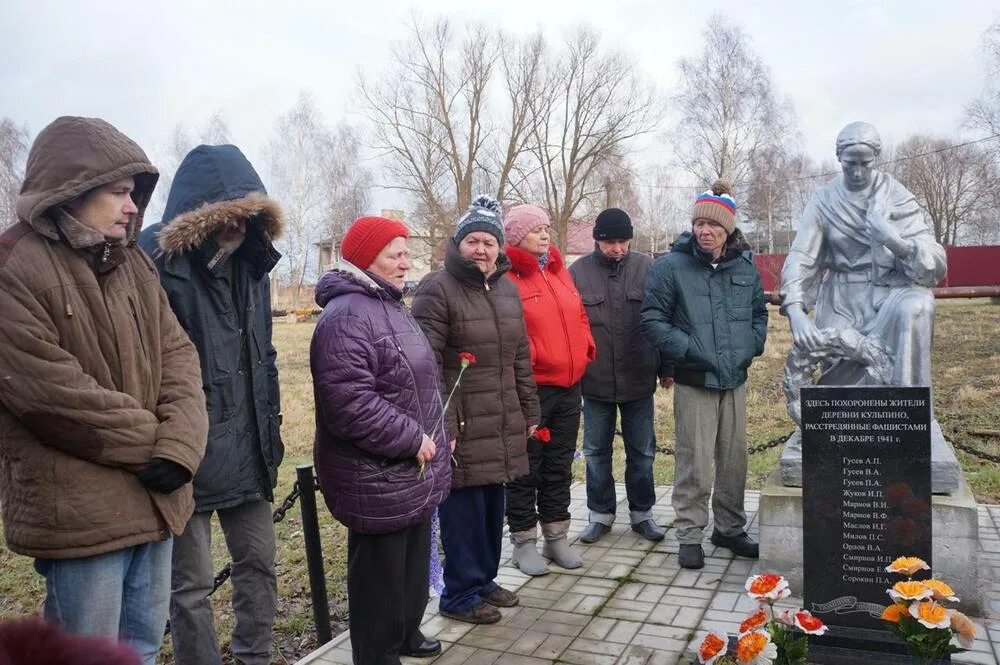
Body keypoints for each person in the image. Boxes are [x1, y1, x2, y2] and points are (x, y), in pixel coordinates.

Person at [0, 116, 208, 664]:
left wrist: (181, 445)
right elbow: (48, 392)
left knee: (140, 650)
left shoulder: (134, 262)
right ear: (73, 190)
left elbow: (179, 356)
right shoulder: (13, 265)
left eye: (134, 193)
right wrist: (160, 447)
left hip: (157, 497)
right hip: (81, 512)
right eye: (119, 192)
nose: (133, 206)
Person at [139, 145, 284, 665]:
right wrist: (165, 445)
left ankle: (255, 657)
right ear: (196, 217)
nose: (236, 227)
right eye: (225, 216)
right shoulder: (154, 268)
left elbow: (265, 357)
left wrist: (272, 431)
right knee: (191, 586)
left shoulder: (253, 266)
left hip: (248, 448)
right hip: (186, 454)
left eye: (247, 216)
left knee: (260, 564)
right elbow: (146, 370)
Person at [311, 216, 451, 664]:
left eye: (407, 253)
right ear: (366, 258)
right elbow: (349, 403)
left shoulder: (389, 304)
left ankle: (406, 632)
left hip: (411, 467)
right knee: (380, 578)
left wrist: (437, 435)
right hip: (375, 472)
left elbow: (418, 383)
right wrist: (411, 438)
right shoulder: (347, 316)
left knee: (410, 566)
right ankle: (377, 654)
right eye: (396, 254)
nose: (406, 263)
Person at [412, 196, 540, 625]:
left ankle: (483, 581)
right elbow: (426, 364)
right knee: (463, 512)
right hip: (463, 423)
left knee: (491, 508)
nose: (481, 250)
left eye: (488, 242)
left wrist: (529, 409)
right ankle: (459, 593)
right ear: (458, 244)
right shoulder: (437, 288)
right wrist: (442, 424)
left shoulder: (506, 289)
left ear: (500, 247)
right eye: (473, 241)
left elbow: (519, 355)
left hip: (501, 418)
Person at [641, 180, 767, 570]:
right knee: (693, 461)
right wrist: (689, 350)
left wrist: (751, 346)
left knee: (733, 460)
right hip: (695, 380)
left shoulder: (745, 266)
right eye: (699, 224)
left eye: (713, 225)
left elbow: (759, 314)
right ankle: (690, 534)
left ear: (727, 229)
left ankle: (729, 529)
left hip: (735, 380)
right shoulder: (671, 267)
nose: (704, 231)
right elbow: (652, 319)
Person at [780, 121, 946, 392]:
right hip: (840, 300)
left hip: (890, 293)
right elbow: (801, 257)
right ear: (839, 158)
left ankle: (904, 407)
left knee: (918, 306)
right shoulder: (824, 200)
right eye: (850, 164)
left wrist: (893, 239)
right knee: (840, 383)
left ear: (876, 158)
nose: (857, 172)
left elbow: (935, 264)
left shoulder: (895, 195)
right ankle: (842, 419)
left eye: (865, 163)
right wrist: (796, 311)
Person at [501, 204, 595, 576]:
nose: (544, 234)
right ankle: (524, 542)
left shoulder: (558, 270)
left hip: (570, 386)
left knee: (559, 464)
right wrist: (538, 356)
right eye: (535, 229)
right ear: (516, 236)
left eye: (546, 228)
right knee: (526, 468)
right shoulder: (508, 279)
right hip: (533, 389)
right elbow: (510, 333)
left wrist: (586, 346)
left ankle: (556, 536)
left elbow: (579, 312)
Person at [569, 208, 670, 545]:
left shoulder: (648, 268)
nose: (617, 248)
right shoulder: (577, 273)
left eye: (623, 241)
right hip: (594, 382)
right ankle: (600, 515)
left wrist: (667, 367)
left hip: (639, 377)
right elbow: (569, 329)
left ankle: (642, 514)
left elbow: (664, 319)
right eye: (610, 242)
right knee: (596, 452)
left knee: (642, 452)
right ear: (597, 241)